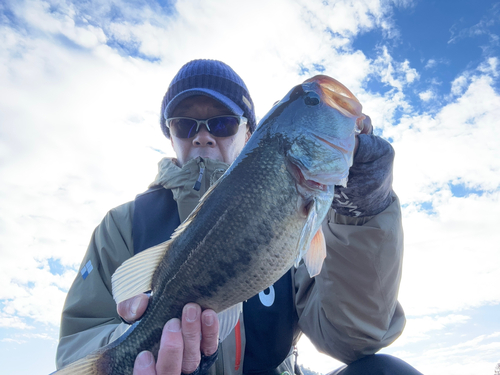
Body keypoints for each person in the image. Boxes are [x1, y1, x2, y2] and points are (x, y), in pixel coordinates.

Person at [56, 59, 421, 375]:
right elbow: (77, 341)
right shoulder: (121, 225)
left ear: (250, 131)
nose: (202, 136)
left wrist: (362, 214)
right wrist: (140, 347)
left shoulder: (312, 218)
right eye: (185, 125)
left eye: (222, 123)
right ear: (170, 136)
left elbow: (353, 340)